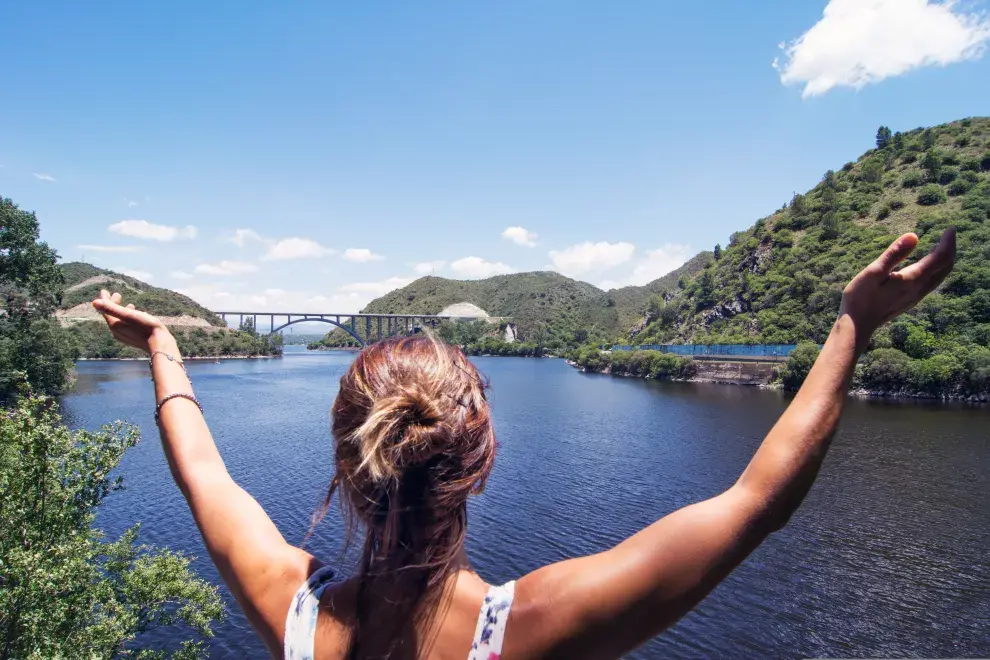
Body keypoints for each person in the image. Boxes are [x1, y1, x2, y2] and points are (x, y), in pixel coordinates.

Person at [92, 229, 956, 660]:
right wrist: (853, 324)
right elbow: (757, 502)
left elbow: (202, 472)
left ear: (347, 464)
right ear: (481, 461)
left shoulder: (297, 616)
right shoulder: (529, 629)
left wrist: (166, 348)